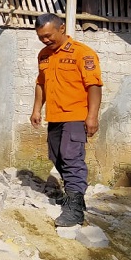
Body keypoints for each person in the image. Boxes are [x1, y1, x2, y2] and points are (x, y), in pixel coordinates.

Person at [30, 14, 103, 227]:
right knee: (56, 156)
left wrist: (92, 116)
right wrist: (36, 109)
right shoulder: (43, 55)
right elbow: (41, 84)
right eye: (41, 37)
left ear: (62, 28)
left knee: (71, 159)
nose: (45, 40)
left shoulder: (83, 53)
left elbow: (94, 86)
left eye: (48, 36)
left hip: (76, 115)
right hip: (55, 116)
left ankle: (75, 210)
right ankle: (74, 197)